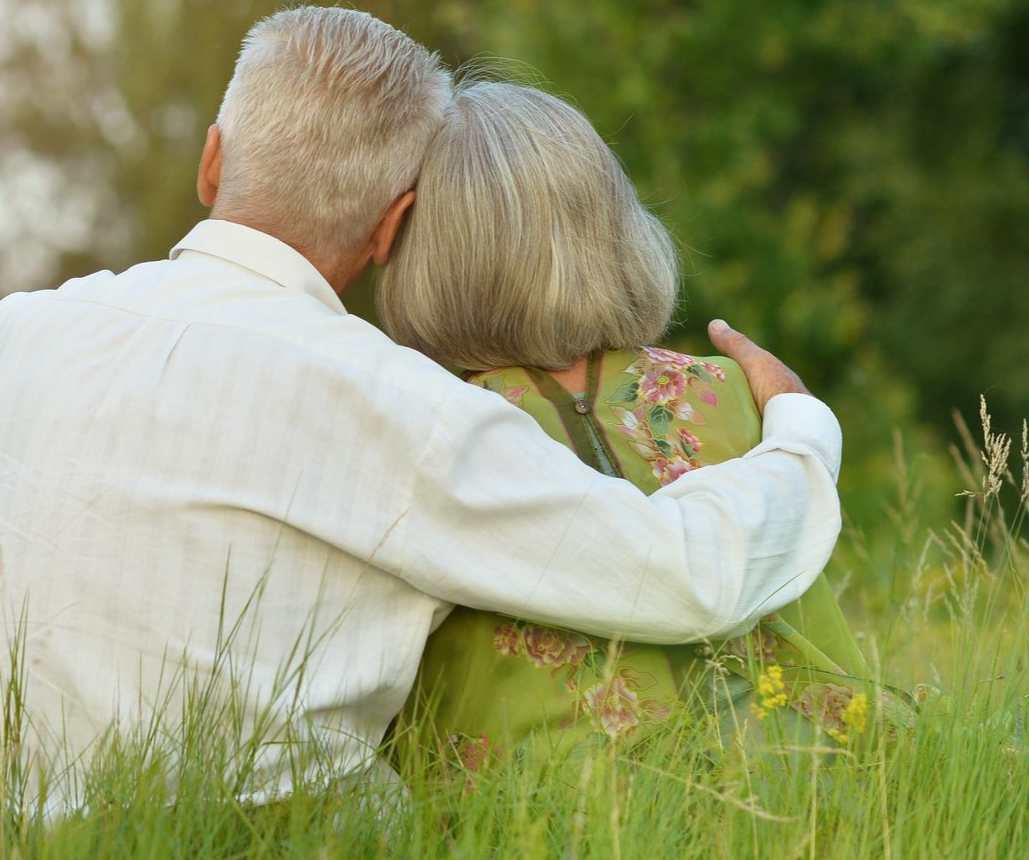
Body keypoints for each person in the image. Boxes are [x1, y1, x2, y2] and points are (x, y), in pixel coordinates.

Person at [0, 7, 843, 816]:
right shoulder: (397, 404)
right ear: (395, 225)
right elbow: (685, 578)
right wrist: (799, 426)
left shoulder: (17, 333)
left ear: (212, 160)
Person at [377, 80, 886, 776]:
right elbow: (823, 653)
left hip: (531, 839)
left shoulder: (422, 425)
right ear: (615, 226)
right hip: (789, 802)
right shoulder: (733, 393)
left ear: (424, 255)